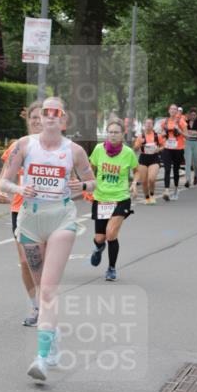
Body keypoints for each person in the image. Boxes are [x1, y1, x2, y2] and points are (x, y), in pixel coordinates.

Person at [0, 97, 96, 383]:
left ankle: (41, 358)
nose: (51, 116)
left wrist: (82, 186)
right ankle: (52, 337)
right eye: (46, 112)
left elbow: (93, 182)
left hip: (61, 219)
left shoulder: (74, 151)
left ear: (64, 119)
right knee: (40, 286)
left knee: (49, 289)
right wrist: (20, 187)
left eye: (57, 112)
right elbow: (4, 180)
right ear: (39, 118)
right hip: (30, 220)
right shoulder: (24, 145)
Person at [0, 101, 42, 325]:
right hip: (21, 209)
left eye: (41, 116)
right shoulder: (19, 146)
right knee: (26, 262)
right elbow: (4, 176)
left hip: (48, 210)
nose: (37, 120)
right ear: (28, 120)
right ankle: (35, 306)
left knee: (42, 261)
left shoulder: (58, 148)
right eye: (33, 116)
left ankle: (47, 303)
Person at [89, 118, 139, 281]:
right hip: (101, 198)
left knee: (111, 234)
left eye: (116, 132)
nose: (113, 135)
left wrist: (134, 184)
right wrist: (88, 182)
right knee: (100, 238)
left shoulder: (128, 153)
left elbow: (137, 170)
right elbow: (90, 167)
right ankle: (98, 248)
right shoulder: (98, 149)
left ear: (122, 134)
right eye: (110, 132)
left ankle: (111, 268)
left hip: (121, 198)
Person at [160, 104, 187, 200]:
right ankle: (166, 191)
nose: (173, 111)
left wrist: (180, 131)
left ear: (177, 112)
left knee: (176, 170)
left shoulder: (181, 122)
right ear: (169, 111)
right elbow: (161, 135)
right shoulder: (164, 122)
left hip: (178, 149)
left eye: (175, 109)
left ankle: (176, 190)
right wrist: (162, 134)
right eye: (171, 109)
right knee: (167, 169)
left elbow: (186, 135)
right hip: (167, 148)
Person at [133, 118, 162, 204]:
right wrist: (139, 143)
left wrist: (158, 149)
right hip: (143, 158)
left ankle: (152, 195)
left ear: (152, 125)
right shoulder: (140, 136)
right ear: (144, 125)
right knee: (144, 181)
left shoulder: (157, 136)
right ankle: (147, 198)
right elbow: (135, 148)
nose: (148, 125)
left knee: (151, 179)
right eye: (147, 124)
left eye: (150, 124)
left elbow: (164, 146)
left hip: (154, 158)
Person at [183, 107, 197, 187]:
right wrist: (187, 133)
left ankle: (196, 176)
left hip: (196, 143)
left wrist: (196, 132)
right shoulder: (186, 122)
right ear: (189, 115)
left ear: (196, 115)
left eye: (194, 115)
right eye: (191, 115)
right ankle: (188, 180)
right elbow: (182, 132)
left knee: (195, 162)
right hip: (187, 142)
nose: (193, 116)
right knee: (188, 162)